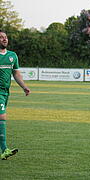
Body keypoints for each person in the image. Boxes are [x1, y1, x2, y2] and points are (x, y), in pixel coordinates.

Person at [0, 30, 31, 160]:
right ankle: (4, 149)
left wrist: (24, 87)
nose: (4, 39)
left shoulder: (13, 56)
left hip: (6, 92)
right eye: (1, 38)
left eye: (5, 37)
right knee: (2, 117)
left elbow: (16, 74)